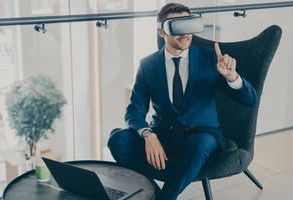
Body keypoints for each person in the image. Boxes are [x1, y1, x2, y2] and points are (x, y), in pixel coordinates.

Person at [108, 3, 258, 200]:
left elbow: (250, 100)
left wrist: (232, 77)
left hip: (203, 137)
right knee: (117, 139)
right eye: (176, 27)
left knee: (199, 143)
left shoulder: (210, 59)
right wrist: (148, 135)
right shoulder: (148, 65)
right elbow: (134, 111)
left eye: (188, 24)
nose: (184, 33)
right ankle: (155, 190)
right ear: (162, 31)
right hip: (163, 135)